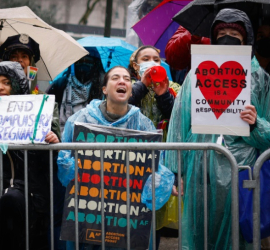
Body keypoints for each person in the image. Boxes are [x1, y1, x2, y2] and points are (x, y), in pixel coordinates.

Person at [165, 8, 270, 249]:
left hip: (242, 172)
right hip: (199, 170)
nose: (227, 36)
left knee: (237, 237)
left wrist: (256, 124)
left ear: (247, 39)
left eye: (234, 32)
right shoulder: (195, 75)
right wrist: (176, 170)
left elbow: (268, 136)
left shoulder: (261, 80)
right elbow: (179, 123)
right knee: (198, 234)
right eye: (221, 31)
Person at [57, 66, 174, 250]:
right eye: (115, 78)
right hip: (88, 216)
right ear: (104, 89)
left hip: (127, 220)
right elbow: (65, 167)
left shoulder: (144, 125)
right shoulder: (80, 120)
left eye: (127, 79)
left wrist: (160, 183)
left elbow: (156, 166)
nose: (122, 81)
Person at [0, 61, 65, 250]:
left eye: (7, 83)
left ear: (18, 85)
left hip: (32, 197)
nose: (0, 87)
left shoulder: (38, 115)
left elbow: (49, 164)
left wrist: (52, 143)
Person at [128, 45, 180, 141]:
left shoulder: (174, 87)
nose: (152, 63)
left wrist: (164, 96)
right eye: (146, 59)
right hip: (134, 145)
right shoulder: (126, 85)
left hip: (164, 148)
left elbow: (180, 118)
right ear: (135, 66)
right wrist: (141, 86)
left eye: (156, 60)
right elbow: (118, 108)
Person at [46, 49, 105, 133]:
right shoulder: (59, 85)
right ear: (74, 63)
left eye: (88, 61)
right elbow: (46, 113)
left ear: (95, 64)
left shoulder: (102, 88)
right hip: (59, 138)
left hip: (91, 138)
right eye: (80, 60)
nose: (84, 63)